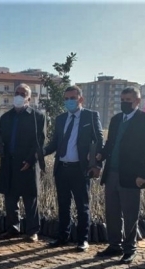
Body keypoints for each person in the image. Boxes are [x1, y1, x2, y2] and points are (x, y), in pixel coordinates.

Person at [96, 87, 145, 264]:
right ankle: (114, 245)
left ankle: (130, 248)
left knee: (130, 214)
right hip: (112, 173)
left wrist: (144, 175)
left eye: (128, 100)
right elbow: (110, 143)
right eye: (122, 100)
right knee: (112, 212)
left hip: (132, 176)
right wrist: (101, 155)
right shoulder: (116, 119)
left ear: (137, 101)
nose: (124, 103)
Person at [44, 85, 103, 252]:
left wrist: (97, 164)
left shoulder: (91, 116)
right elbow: (55, 142)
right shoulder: (60, 119)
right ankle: (62, 237)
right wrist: (41, 152)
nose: (69, 101)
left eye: (72, 98)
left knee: (82, 205)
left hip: (80, 169)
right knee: (63, 205)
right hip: (62, 168)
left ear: (80, 99)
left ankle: (83, 240)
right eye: (66, 99)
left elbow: (99, 142)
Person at [0, 84, 47, 243]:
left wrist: (30, 161)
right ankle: (12, 229)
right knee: (10, 199)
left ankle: (32, 231)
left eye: (23, 94)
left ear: (29, 98)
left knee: (30, 199)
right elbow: (0, 138)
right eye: (17, 93)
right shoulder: (5, 117)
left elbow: (40, 142)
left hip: (27, 164)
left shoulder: (37, 117)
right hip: (8, 163)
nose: (18, 96)